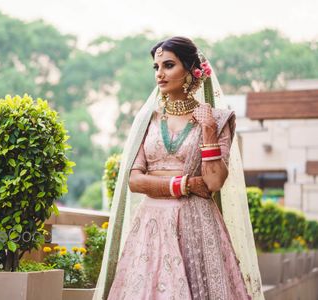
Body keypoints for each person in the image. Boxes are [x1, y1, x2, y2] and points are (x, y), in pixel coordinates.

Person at [93, 37, 264, 300]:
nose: (159, 74)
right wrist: (183, 185)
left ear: (192, 71)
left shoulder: (218, 120)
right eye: (156, 67)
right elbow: (135, 181)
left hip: (195, 224)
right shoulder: (147, 121)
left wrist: (207, 131)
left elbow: (214, 182)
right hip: (150, 226)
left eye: (168, 65)